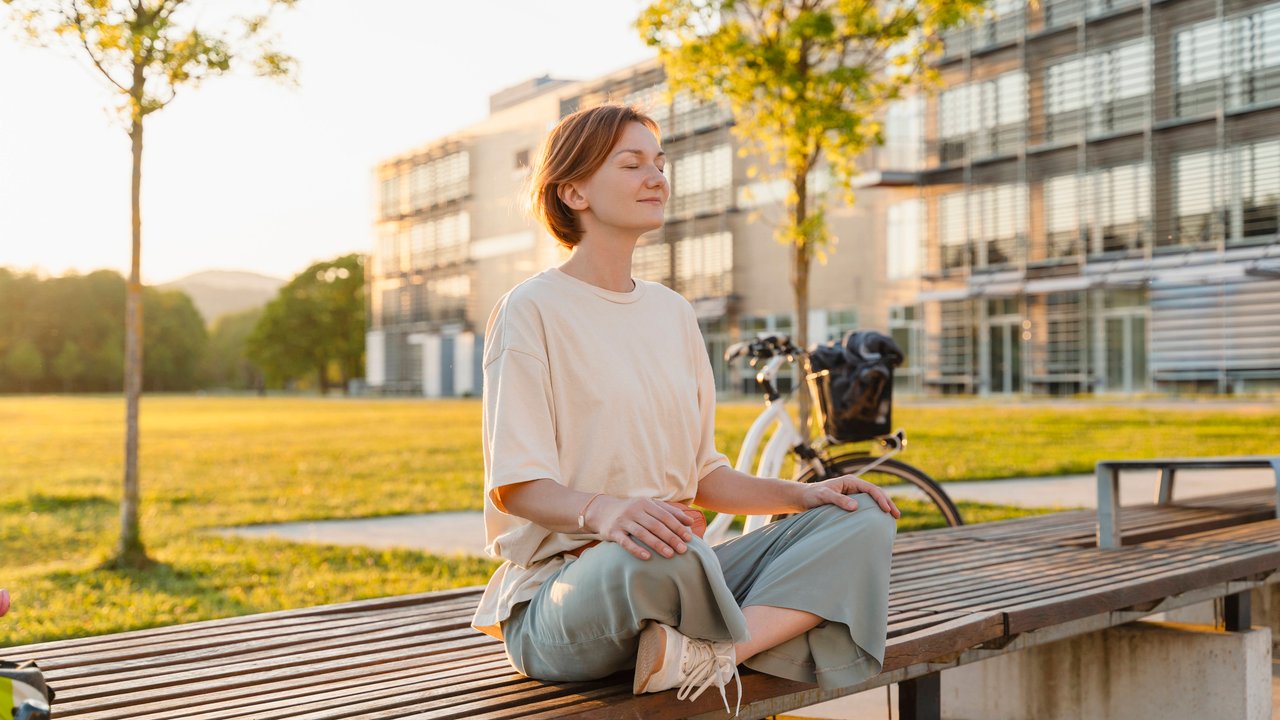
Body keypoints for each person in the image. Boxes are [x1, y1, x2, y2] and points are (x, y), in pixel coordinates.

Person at [470, 104, 900, 714]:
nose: (657, 178)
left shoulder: (672, 313)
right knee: (667, 549)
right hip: (571, 596)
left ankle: (717, 654)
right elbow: (515, 487)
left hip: (682, 567)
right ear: (573, 191)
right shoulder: (530, 310)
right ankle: (720, 640)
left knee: (860, 516)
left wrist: (806, 495)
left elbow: (702, 479)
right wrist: (608, 514)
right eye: (632, 163)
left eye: (660, 163)